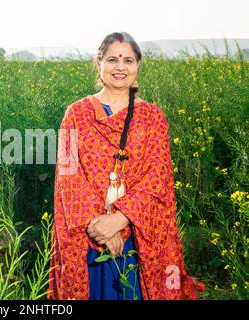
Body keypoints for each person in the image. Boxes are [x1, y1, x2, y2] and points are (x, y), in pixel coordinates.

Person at [48, 32, 201, 300]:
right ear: (99, 64)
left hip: (137, 235)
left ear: (138, 65)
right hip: (88, 234)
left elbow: (158, 177)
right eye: (112, 59)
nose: (120, 67)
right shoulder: (76, 113)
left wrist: (120, 219)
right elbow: (67, 175)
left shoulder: (153, 118)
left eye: (128, 60)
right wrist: (104, 232)